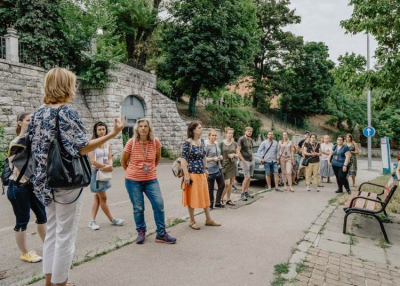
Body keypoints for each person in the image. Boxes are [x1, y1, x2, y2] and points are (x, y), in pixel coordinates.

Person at [29, 68, 126, 286]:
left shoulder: (38, 113)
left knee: (52, 231)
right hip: (66, 180)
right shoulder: (67, 112)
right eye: (73, 83)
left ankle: (49, 282)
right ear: (66, 86)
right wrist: (113, 134)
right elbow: (82, 147)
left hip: (44, 181)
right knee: (65, 234)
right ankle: (61, 283)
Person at [121, 118, 176, 244]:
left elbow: (157, 159)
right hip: (133, 181)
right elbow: (124, 161)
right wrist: (133, 173)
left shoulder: (155, 142)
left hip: (151, 180)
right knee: (138, 207)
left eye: (146, 126)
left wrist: (149, 170)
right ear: (137, 128)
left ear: (149, 128)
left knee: (159, 205)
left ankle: (161, 234)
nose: (143, 128)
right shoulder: (131, 142)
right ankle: (141, 232)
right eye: (140, 126)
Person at [7, 113, 47, 263]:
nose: (31, 123)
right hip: (18, 186)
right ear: (19, 123)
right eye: (28, 121)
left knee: (42, 216)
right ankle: (24, 252)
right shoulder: (17, 143)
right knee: (22, 220)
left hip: (33, 186)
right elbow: (20, 167)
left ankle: (49, 245)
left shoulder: (35, 141)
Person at [180, 120, 221, 230]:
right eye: (199, 128)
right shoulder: (187, 143)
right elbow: (183, 159)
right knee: (191, 197)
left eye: (201, 127)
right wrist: (186, 175)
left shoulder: (202, 142)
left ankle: (208, 219)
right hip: (192, 174)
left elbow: (203, 156)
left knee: (205, 196)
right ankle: (192, 221)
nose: (201, 129)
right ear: (193, 130)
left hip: (201, 174)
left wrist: (206, 168)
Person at [88, 122, 125, 230]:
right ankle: (112, 219)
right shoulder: (92, 143)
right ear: (95, 131)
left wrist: (110, 165)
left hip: (105, 171)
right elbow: (92, 160)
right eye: (99, 129)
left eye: (103, 129)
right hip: (97, 173)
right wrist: (104, 167)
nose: (102, 131)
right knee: (103, 198)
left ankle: (92, 220)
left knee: (97, 197)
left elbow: (109, 157)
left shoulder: (107, 143)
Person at [205, 129, 225, 209]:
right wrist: (213, 158)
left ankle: (217, 202)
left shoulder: (216, 144)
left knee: (222, 185)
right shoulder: (206, 146)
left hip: (218, 167)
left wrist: (221, 157)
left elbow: (219, 153)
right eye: (212, 135)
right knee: (210, 188)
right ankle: (210, 204)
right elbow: (204, 158)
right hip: (210, 168)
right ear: (209, 136)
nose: (214, 137)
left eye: (215, 135)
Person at [220, 127, 238, 206]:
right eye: (229, 133)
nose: (231, 135)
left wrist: (234, 154)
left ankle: (228, 199)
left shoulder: (235, 144)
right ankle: (220, 198)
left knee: (231, 183)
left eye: (232, 133)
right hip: (224, 164)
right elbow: (219, 154)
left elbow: (238, 155)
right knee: (226, 184)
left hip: (232, 164)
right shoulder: (221, 143)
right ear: (226, 134)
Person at [237, 127, 255, 200]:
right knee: (246, 177)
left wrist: (253, 158)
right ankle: (242, 193)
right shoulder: (241, 139)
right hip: (245, 161)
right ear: (245, 131)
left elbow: (250, 149)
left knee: (249, 177)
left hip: (251, 160)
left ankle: (246, 192)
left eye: (250, 131)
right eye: (248, 131)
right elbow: (238, 150)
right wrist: (242, 160)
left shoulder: (250, 139)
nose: (249, 132)